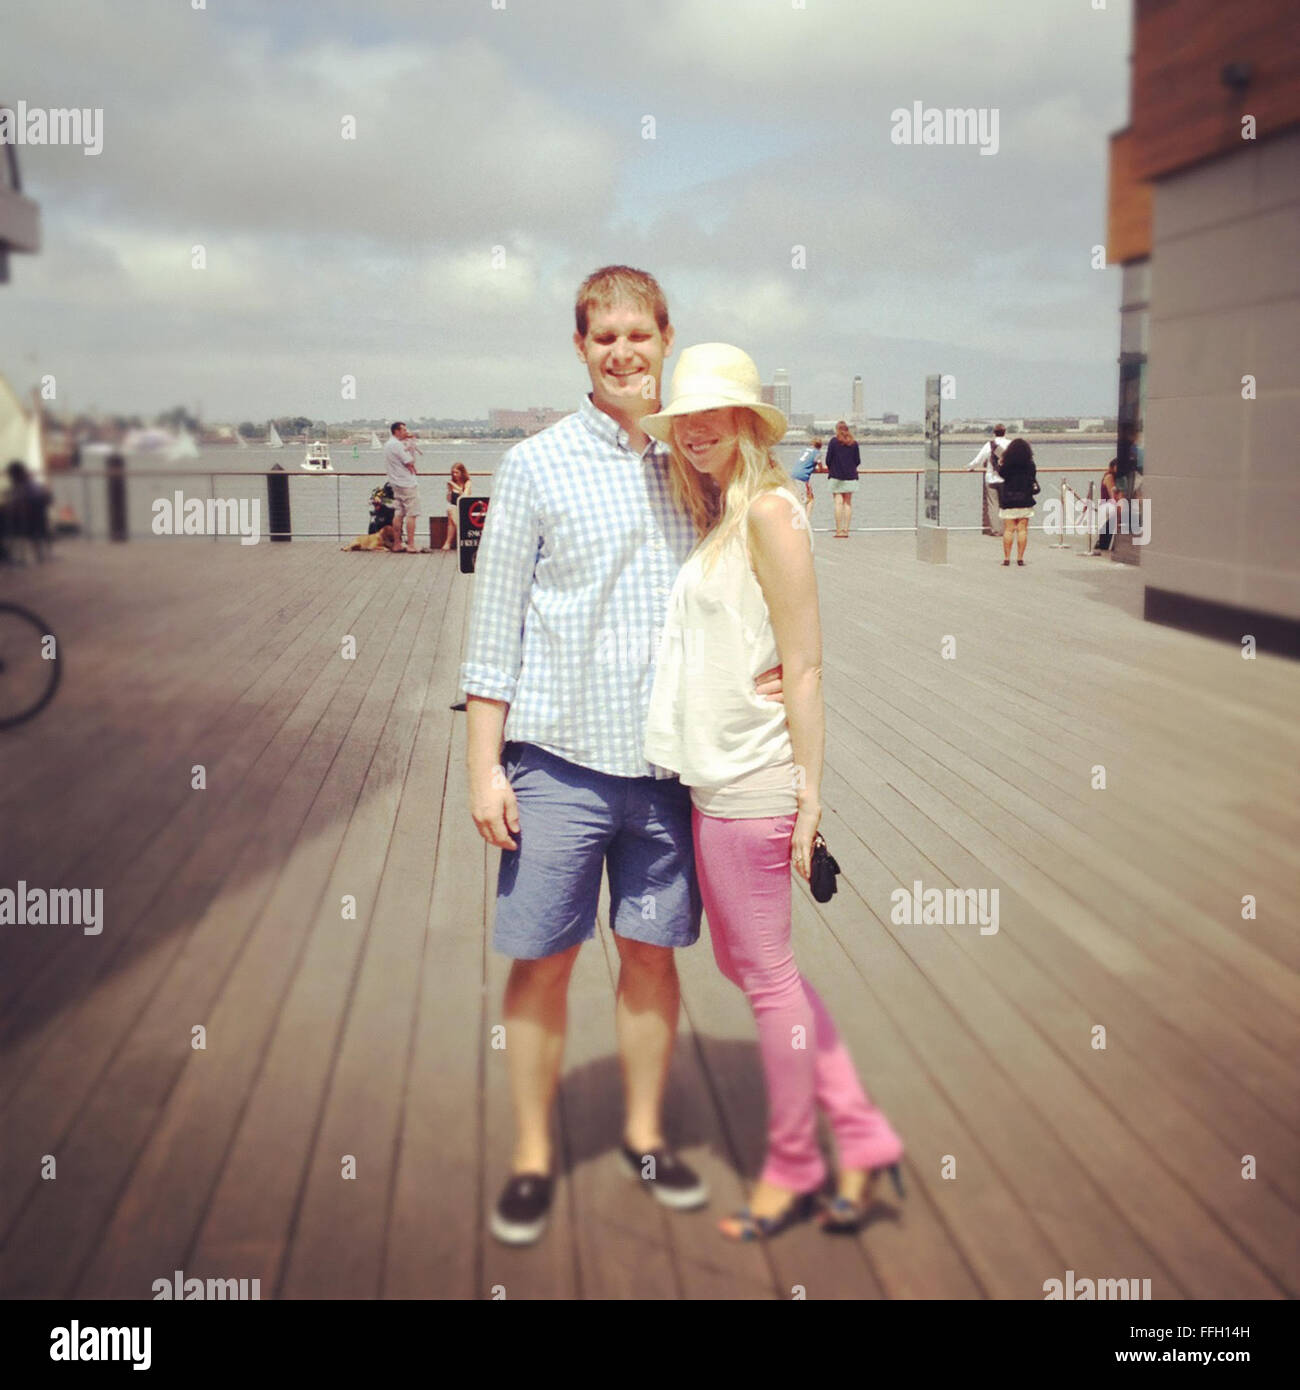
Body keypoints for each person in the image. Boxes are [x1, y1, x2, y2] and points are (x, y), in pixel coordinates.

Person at [460, 266, 785, 1246]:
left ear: (664, 337)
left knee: (651, 956)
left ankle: (645, 1136)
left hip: (669, 772)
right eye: (603, 338)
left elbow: (762, 571)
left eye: (639, 335)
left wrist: (771, 667)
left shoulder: (700, 462)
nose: (623, 352)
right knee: (544, 962)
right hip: (556, 761)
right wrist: (484, 765)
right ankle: (529, 1153)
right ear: (580, 347)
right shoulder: (535, 465)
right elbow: (493, 627)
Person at [642, 344, 904, 1241]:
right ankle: (864, 1142)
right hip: (714, 780)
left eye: (717, 413)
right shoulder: (726, 512)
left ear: (752, 421)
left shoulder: (771, 512)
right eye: (685, 419)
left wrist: (810, 793)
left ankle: (794, 1166)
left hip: (753, 783)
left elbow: (807, 663)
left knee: (767, 978)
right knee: (752, 967)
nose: (698, 429)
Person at [995, 436, 1039, 565]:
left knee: (1009, 529)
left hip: (1009, 499)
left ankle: (1007, 558)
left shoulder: (1007, 464)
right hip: (1025, 499)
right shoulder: (1030, 464)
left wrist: (1000, 463)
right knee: (1022, 529)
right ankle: (1020, 558)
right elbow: (1033, 477)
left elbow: (1001, 475)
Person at [383, 422, 420, 552]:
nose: (405, 432)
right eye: (403, 430)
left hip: (395, 483)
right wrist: (411, 446)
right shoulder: (397, 445)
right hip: (406, 483)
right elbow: (409, 461)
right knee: (412, 514)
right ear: (396, 431)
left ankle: (397, 543)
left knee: (398, 513)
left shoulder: (388, 445)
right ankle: (411, 544)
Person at [967, 424, 1008, 537]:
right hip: (1006, 479)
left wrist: (969, 467)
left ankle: (996, 530)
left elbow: (978, 460)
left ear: (994, 433)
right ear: (1005, 432)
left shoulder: (990, 445)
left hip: (991, 478)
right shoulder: (1010, 444)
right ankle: (1006, 530)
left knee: (993, 505)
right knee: (1005, 505)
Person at [824, 420, 860, 537]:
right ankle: (846, 530)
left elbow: (828, 459)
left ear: (837, 430)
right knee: (848, 503)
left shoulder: (833, 442)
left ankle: (838, 530)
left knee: (838, 503)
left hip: (836, 475)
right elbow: (857, 461)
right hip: (851, 476)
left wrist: (833, 467)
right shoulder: (854, 443)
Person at [789, 436, 823, 522]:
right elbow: (818, 462)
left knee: (797, 498)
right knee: (810, 499)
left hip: (793, 475)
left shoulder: (804, 450)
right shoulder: (817, 453)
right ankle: (805, 521)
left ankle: (795, 519)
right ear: (820, 446)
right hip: (802, 477)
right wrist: (821, 468)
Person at [441, 462, 471, 551]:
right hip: (454, 507)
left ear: (462, 472)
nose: (454, 475)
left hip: (464, 507)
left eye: (456, 472)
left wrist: (456, 487)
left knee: (451, 514)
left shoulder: (467, 482)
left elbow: (465, 496)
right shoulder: (453, 483)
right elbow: (449, 500)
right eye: (453, 473)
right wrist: (450, 491)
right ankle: (456, 538)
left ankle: (448, 542)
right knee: (451, 510)